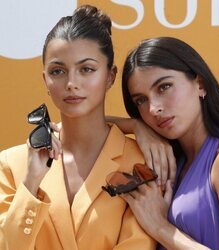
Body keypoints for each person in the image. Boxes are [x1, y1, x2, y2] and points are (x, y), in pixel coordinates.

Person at [0, 5, 157, 250]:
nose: (72, 83)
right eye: (58, 71)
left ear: (110, 76)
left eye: (86, 69)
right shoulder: (11, 165)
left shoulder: (141, 162)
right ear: (46, 80)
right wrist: (31, 183)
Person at [109, 37, 219, 249]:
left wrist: (160, 227)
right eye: (141, 100)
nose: (153, 108)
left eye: (164, 87)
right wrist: (135, 126)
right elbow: (78, 125)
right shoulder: (171, 164)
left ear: (200, 83)